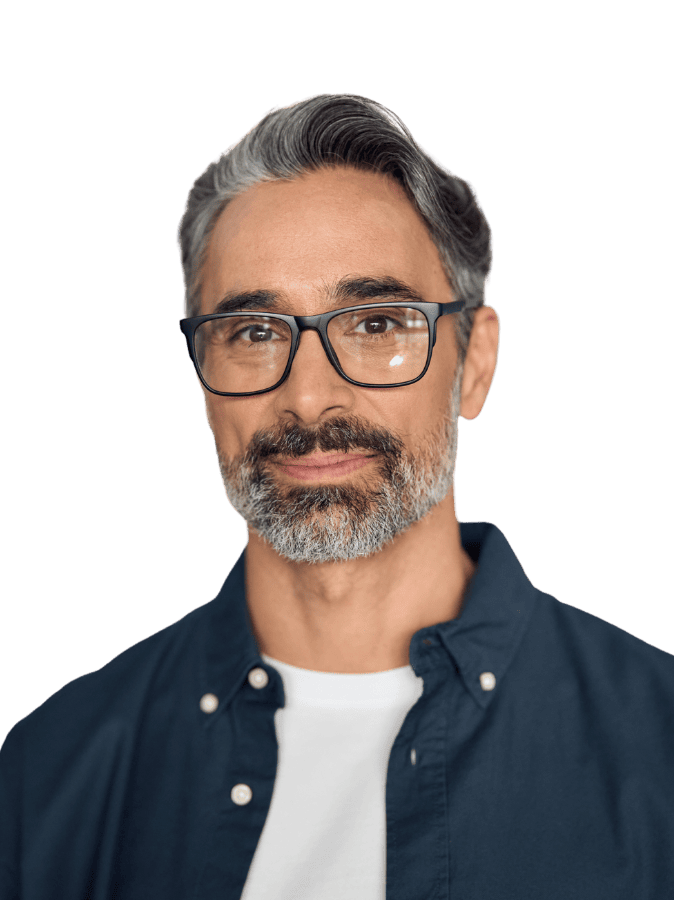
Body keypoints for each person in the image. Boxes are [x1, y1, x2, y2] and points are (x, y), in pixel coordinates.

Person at [1, 93, 673, 900]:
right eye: (254, 333)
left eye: (378, 323)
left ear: (477, 361)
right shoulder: (50, 773)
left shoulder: (659, 752)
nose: (310, 399)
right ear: (203, 383)